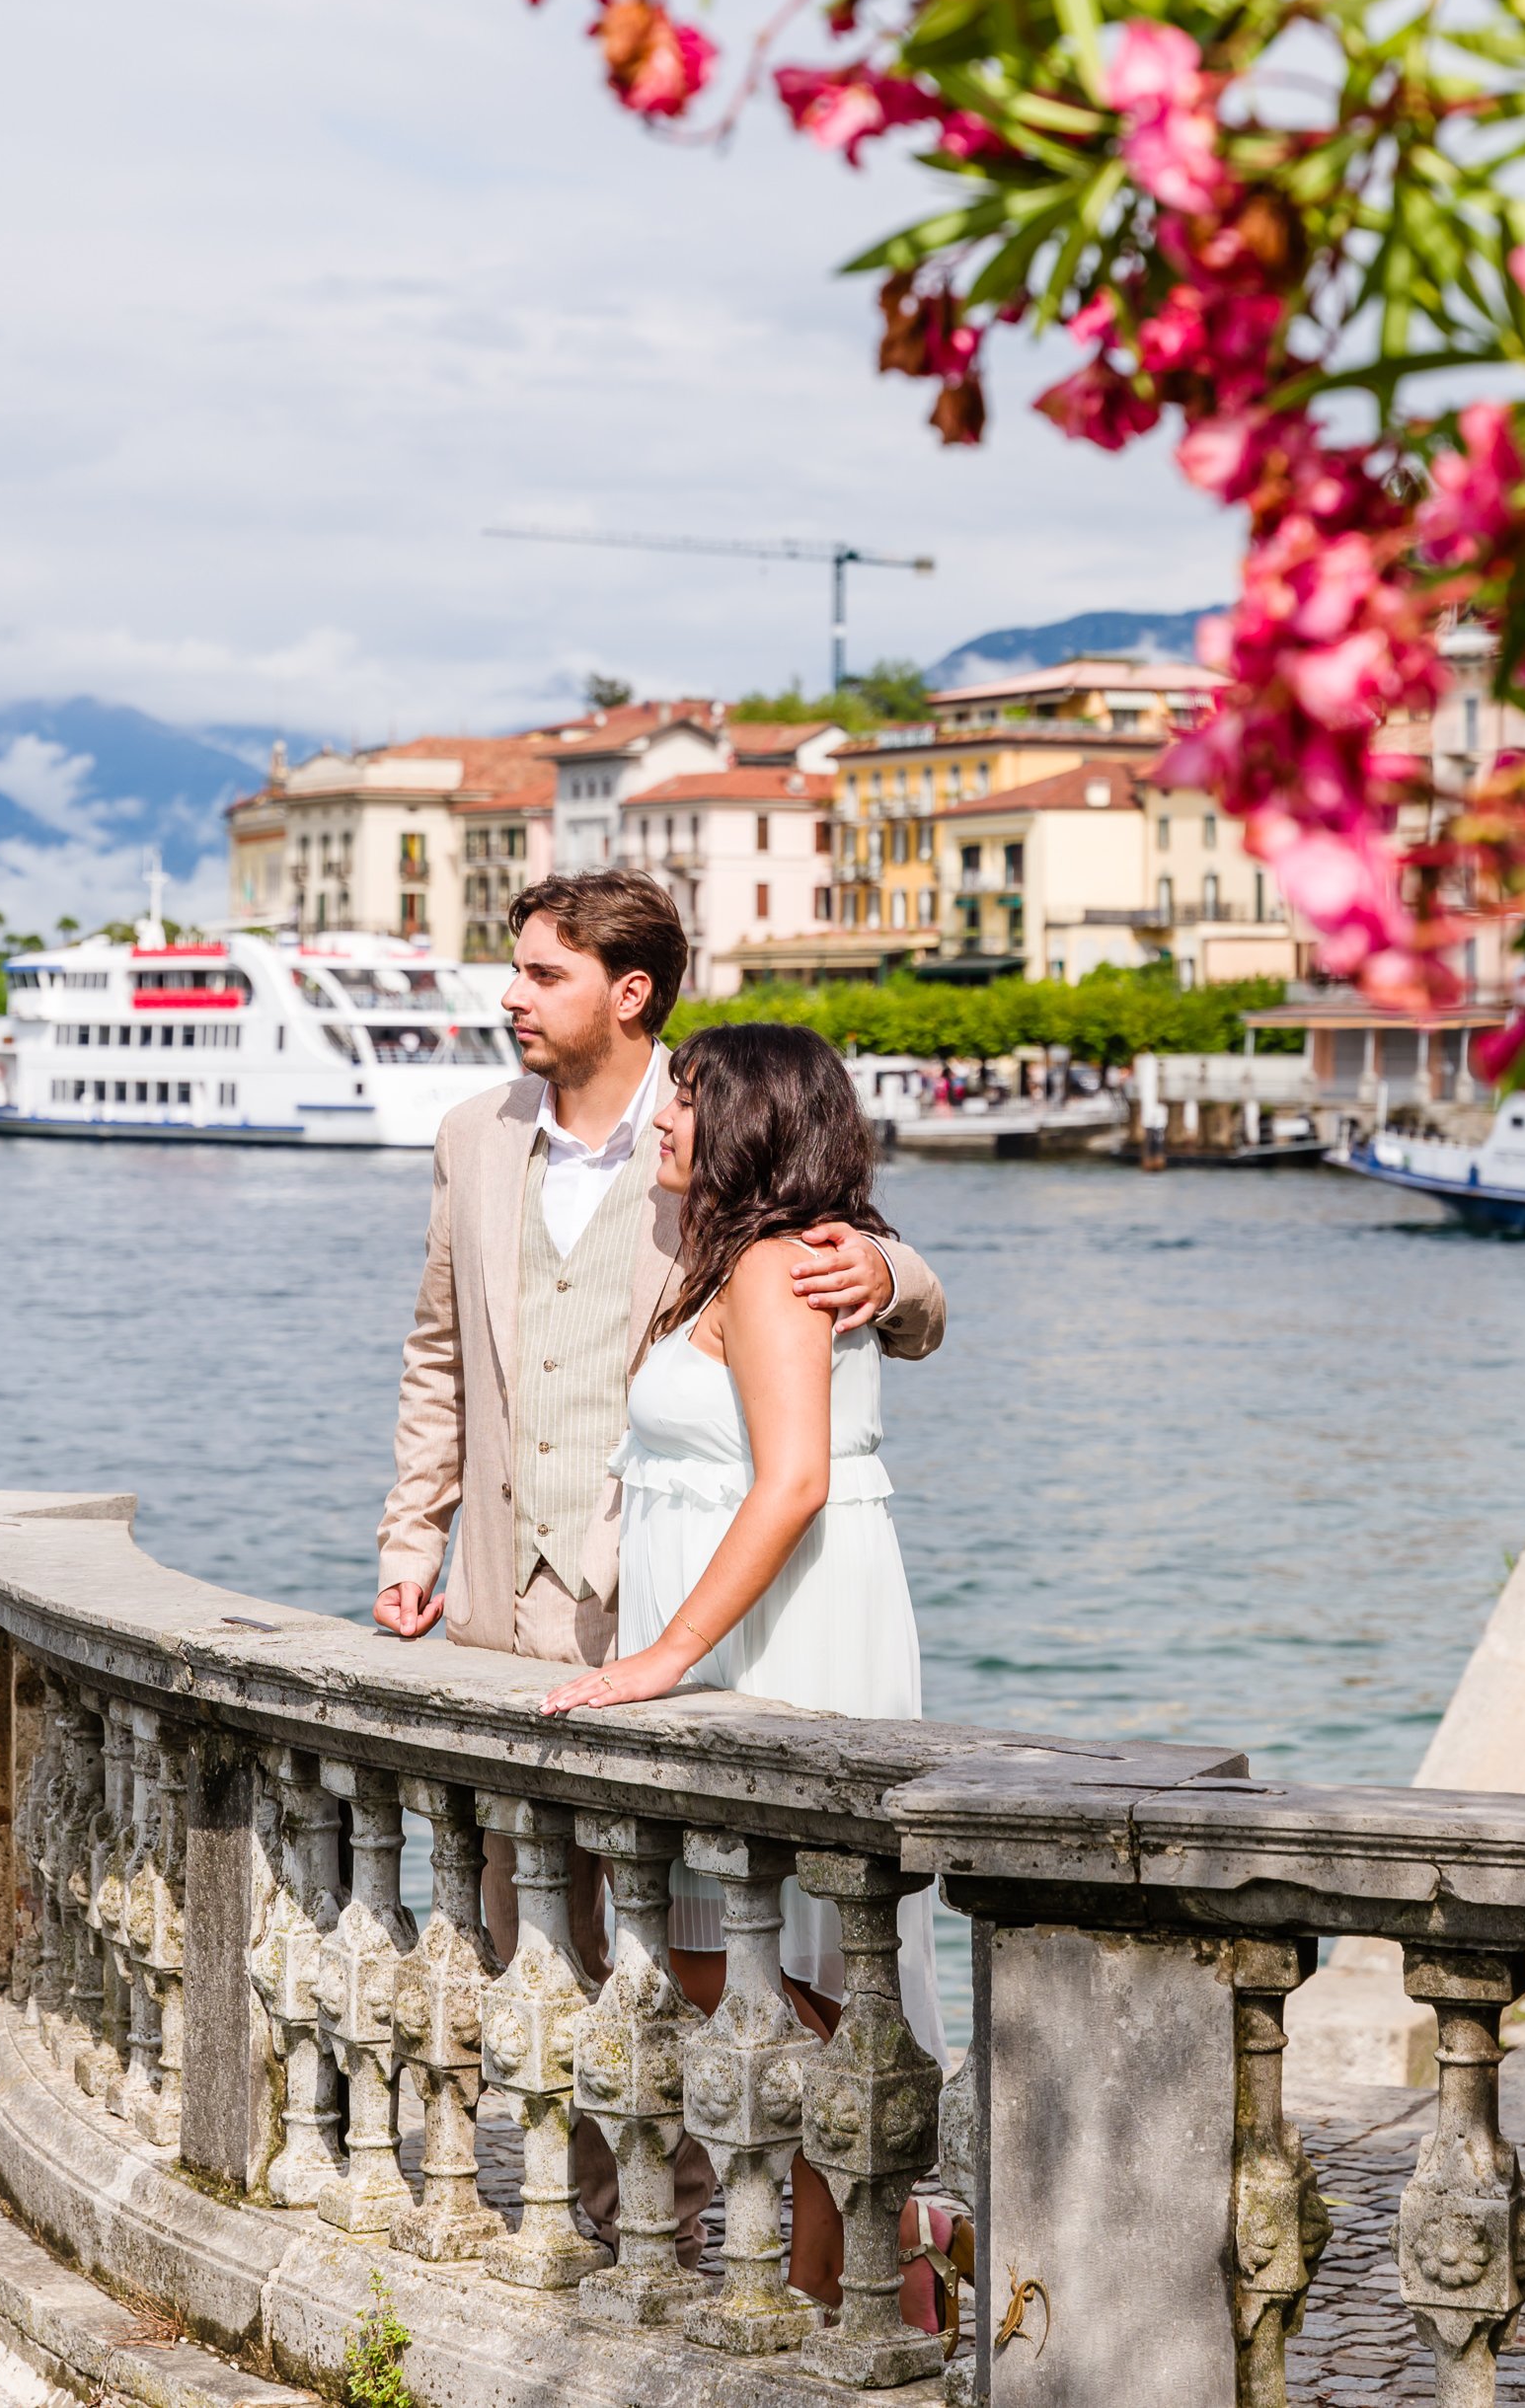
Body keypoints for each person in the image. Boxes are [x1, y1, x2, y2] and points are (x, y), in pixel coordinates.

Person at [374, 866, 947, 2255]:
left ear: (629, 994)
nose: (508, 994)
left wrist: (894, 1283)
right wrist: (411, 1537)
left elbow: (854, 1264)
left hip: (679, 1604)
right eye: (512, 970)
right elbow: (440, 1358)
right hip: (509, 1607)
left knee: (707, 1951)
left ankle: (728, 2234)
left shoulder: (715, 1129)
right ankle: (617, 2230)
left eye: (540, 973)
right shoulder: (470, 1136)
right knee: (542, 1954)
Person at [540, 1019, 958, 2321]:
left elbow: (794, 1481)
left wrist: (665, 1655)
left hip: (785, 1646)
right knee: (751, 1972)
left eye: (687, 1100)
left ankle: (862, 2282)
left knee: (800, 1984)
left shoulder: (782, 1270)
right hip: (745, 1641)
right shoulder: (723, 1259)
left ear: (751, 1123)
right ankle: (880, 2266)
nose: (662, 1118)